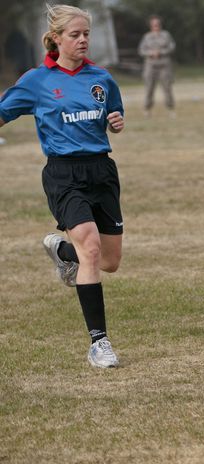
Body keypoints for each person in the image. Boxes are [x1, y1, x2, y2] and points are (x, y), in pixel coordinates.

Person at [0, 4, 125, 368]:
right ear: (56, 39)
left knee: (109, 261)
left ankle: (62, 254)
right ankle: (99, 343)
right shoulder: (37, 81)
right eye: (75, 34)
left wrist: (116, 122)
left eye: (86, 33)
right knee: (89, 246)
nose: (83, 40)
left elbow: (113, 115)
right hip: (63, 174)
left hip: (101, 171)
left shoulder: (102, 78)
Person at [138, 15, 176, 117]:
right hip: (150, 66)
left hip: (164, 65)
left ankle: (171, 109)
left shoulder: (166, 35)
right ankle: (147, 109)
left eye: (158, 24)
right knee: (149, 88)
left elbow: (172, 47)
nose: (156, 26)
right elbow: (141, 50)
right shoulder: (147, 37)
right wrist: (150, 53)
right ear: (151, 26)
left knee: (167, 88)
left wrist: (161, 52)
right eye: (154, 25)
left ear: (160, 25)